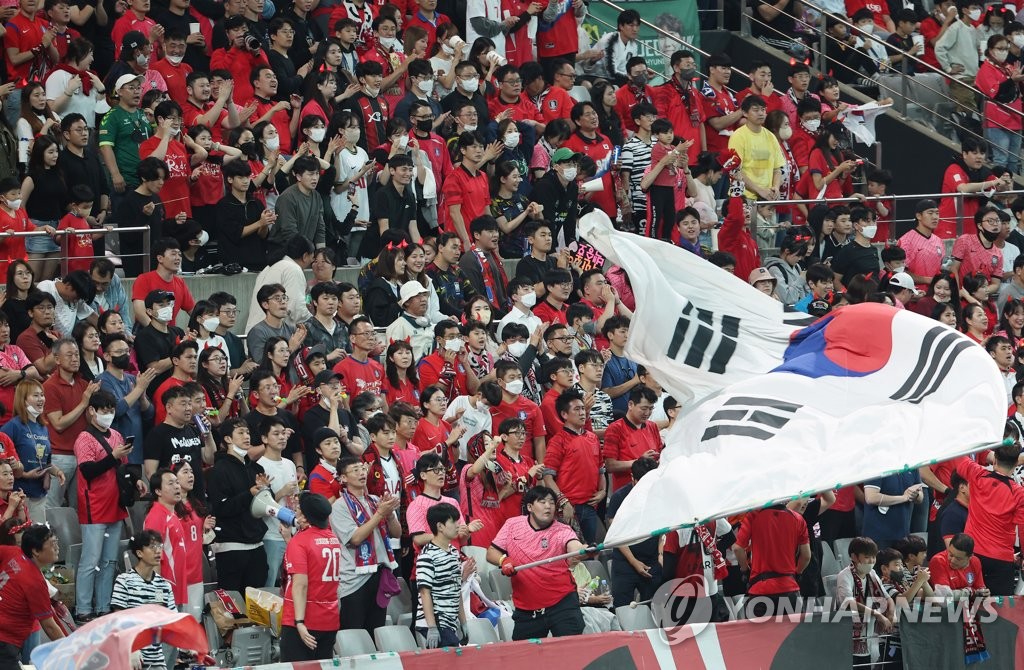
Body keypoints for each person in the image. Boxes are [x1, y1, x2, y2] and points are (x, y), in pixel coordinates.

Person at [487, 486, 586, 639]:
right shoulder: (512, 525)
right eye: (542, 502)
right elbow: (491, 552)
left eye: (552, 503)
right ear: (529, 507)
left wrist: (584, 551)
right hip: (526, 609)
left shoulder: (562, 530)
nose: (548, 506)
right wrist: (503, 560)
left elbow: (575, 547)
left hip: (562, 604)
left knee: (570, 653)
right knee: (524, 658)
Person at [72, 390, 133, 623]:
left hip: (115, 505)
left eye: (111, 411)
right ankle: (84, 608)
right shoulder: (84, 439)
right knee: (91, 560)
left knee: (109, 561)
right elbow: (87, 470)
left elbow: (123, 466)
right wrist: (113, 457)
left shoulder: (116, 435)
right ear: (91, 411)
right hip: (94, 507)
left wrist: (134, 479)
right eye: (104, 411)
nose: (108, 415)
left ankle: (104, 606)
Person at [330, 455, 401, 634]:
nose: (361, 473)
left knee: (376, 631)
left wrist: (390, 513)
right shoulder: (339, 506)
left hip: (379, 575)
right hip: (354, 579)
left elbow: (397, 533)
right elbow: (355, 538)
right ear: (343, 478)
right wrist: (379, 514)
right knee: (354, 633)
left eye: (362, 468)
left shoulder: (376, 500)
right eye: (355, 470)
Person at [208, 417, 272, 593]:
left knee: (259, 604)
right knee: (234, 607)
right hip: (232, 547)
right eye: (241, 432)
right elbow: (221, 508)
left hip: (257, 545)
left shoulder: (256, 468)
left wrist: (266, 491)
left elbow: (267, 506)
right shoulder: (219, 470)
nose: (247, 436)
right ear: (228, 439)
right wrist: (249, 494)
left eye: (248, 432)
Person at [951, 442, 1024, 594]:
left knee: (967, 607)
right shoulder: (1019, 494)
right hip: (1001, 559)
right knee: (999, 612)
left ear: (994, 460)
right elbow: (1023, 529)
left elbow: (959, 455)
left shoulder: (976, 474)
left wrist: (983, 446)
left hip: (972, 554)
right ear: (1017, 463)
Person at [279, 493, 342, 661]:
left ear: (305, 517)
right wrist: (288, 539)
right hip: (329, 620)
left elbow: (300, 584)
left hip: (304, 621)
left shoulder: (300, 542)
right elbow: (313, 562)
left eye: (299, 509)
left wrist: (299, 622)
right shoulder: (332, 538)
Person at [43, 337, 99, 509]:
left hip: (82, 454)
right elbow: (58, 424)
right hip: (61, 455)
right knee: (52, 506)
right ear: (57, 359)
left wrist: (93, 409)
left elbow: (89, 421)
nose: (75, 359)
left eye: (76, 354)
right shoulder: (49, 386)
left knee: (80, 507)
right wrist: (84, 403)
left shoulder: (83, 384)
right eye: (69, 355)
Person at [0, 523, 66, 666]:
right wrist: (71, 649)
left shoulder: (13, 553)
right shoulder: (35, 583)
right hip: (5, 641)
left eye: (57, 542)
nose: (57, 547)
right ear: (36, 550)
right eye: (52, 543)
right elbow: (49, 626)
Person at [542, 389, 602, 544]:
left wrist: (602, 491)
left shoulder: (593, 438)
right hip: (569, 507)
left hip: (590, 505)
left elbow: (601, 468)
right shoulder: (557, 441)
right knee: (570, 553)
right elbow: (548, 477)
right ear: (564, 415)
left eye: (583, 408)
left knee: (590, 550)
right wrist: (564, 502)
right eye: (577, 409)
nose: (583, 413)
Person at [733, 498, 811, 617]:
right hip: (789, 588)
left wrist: (745, 569)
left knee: (760, 636)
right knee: (794, 635)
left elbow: (737, 548)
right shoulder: (798, 518)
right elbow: (806, 556)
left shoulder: (754, 515)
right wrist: (797, 573)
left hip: (760, 589)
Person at [110, 529, 177, 667]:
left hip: (157, 659)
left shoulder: (164, 585)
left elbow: (173, 623)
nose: (158, 551)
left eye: (160, 546)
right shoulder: (124, 581)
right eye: (152, 547)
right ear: (139, 553)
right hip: (130, 658)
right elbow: (119, 621)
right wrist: (131, 649)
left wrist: (190, 647)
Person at [1, 380, 64, 523]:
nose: (41, 399)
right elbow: (2, 461)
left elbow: (45, 461)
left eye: (42, 395)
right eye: (35, 395)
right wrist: (25, 474)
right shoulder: (13, 426)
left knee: (38, 537)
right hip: (19, 493)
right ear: (23, 400)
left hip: (39, 494)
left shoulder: (43, 427)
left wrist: (57, 472)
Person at [607, 457, 661, 610]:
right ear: (633, 479)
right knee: (623, 608)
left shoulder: (660, 496)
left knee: (654, 607)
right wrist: (633, 562)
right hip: (625, 561)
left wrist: (661, 555)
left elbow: (664, 529)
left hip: (652, 560)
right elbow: (615, 534)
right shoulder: (619, 498)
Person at [836, 536, 896, 666]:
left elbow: (887, 598)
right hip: (848, 635)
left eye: (873, 557)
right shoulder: (844, 575)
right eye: (867, 557)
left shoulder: (873, 574)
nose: (872, 561)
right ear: (854, 557)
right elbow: (848, 603)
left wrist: (891, 613)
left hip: (868, 635)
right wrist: (877, 614)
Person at [416, 502, 468, 648]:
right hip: (436, 623)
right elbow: (425, 593)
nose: (458, 525)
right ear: (440, 526)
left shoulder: (453, 552)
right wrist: (432, 628)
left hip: (450, 623)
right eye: (453, 521)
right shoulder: (427, 556)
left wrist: (463, 621)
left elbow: (456, 589)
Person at [256, 415, 299, 588]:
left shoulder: (289, 464)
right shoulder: (260, 466)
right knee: (271, 582)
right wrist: (281, 492)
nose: (282, 437)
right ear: (264, 438)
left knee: (292, 581)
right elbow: (259, 505)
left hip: (292, 532)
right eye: (276, 434)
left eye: (283, 433)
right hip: (271, 533)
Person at [143, 468, 190, 607]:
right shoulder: (156, 517)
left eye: (177, 482)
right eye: (170, 483)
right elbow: (152, 559)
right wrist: (158, 595)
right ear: (158, 491)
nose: (177, 486)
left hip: (176, 588)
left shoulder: (172, 514)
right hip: (165, 593)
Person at [603, 386, 663, 492]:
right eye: (644, 409)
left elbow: (661, 454)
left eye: (651, 409)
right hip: (627, 491)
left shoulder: (652, 426)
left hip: (652, 488)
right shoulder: (615, 428)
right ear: (630, 404)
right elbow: (610, 465)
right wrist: (639, 461)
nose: (647, 413)